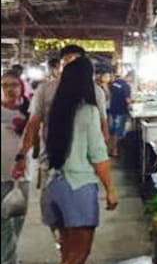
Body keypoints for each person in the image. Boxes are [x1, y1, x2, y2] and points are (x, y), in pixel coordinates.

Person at [24, 58, 117, 264]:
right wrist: (110, 190)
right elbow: (98, 155)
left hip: (53, 187)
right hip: (78, 187)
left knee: (67, 252)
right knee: (78, 254)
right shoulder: (88, 112)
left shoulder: (54, 111)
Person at [14, 45, 109, 190]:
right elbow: (33, 124)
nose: (72, 67)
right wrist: (23, 154)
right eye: (67, 62)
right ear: (59, 66)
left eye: (76, 62)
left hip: (83, 168)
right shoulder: (45, 90)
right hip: (50, 164)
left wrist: (101, 159)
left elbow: (103, 126)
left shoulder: (96, 92)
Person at [1, 71, 30, 264]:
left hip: (22, 174)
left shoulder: (29, 110)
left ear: (21, 87)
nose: (10, 89)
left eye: (14, 85)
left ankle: (10, 256)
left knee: (17, 216)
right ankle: (8, 263)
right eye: (5, 85)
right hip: (1, 173)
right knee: (2, 219)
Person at [108, 72, 132, 158]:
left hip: (112, 110)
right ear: (130, 77)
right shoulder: (126, 86)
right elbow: (127, 100)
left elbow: (109, 95)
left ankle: (109, 149)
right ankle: (115, 150)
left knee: (112, 131)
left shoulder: (114, 83)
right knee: (118, 131)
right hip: (121, 111)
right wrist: (132, 104)